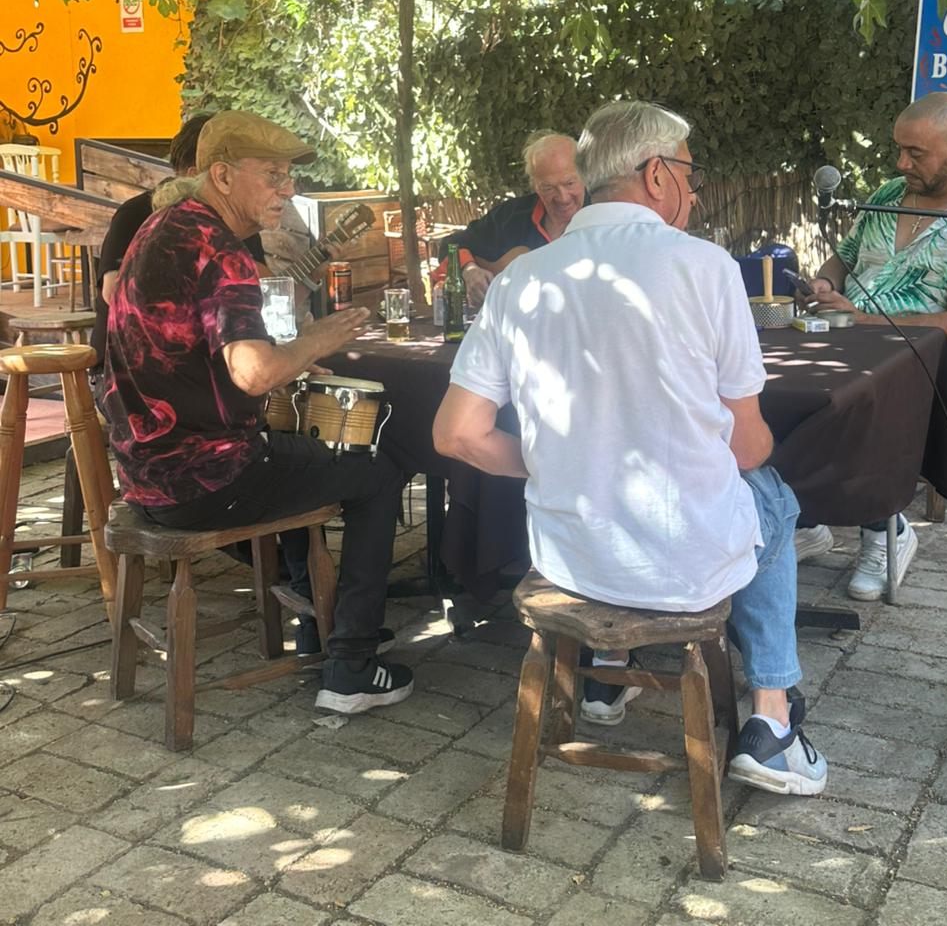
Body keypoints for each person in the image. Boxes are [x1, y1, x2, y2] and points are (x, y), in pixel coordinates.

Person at [433, 100, 827, 796]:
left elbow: (456, 433)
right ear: (655, 174)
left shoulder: (520, 279)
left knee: (719, 490)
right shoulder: (705, 267)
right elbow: (746, 445)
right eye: (688, 173)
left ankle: (607, 675)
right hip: (683, 567)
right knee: (771, 493)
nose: (693, 191)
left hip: (568, 561)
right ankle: (771, 721)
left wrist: (560, 459)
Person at [103, 109, 413, 715]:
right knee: (380, 473)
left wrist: (291, 360)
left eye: (289, 176)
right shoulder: (219, 250)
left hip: (144, 474)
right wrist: (314, 342)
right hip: (202, 480)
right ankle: (351, 667)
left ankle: (319, 623)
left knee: (299, 456)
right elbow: (252, 373)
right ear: (222, 176)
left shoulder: (164, 226)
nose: (287, 189)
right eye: (272, 175)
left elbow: (198, 355)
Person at [796, 91, 947, 599]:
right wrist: (824, 283)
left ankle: (887, 530)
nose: (900, 163)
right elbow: (843, 259)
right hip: (848, 339)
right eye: (899, 149)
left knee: (865, 405)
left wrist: (865, 318)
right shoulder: (889, 192)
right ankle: (806, 521)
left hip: (921, 358)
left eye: (916, 153)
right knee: (787, 394)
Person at [89, 115, 263, 392]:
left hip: (204, 369)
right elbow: (113, 291)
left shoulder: (238, 220)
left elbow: (265, 288)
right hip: (125, 376)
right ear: (200, 174)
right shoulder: (136, 213)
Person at [441, 131, 587, 308]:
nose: (563, 197)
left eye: (570, 183)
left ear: (585, 175)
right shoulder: (511, 216)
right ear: (535, 186)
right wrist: (469, 270)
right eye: (548, 188)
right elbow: (450, 245)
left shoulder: (603, 219)